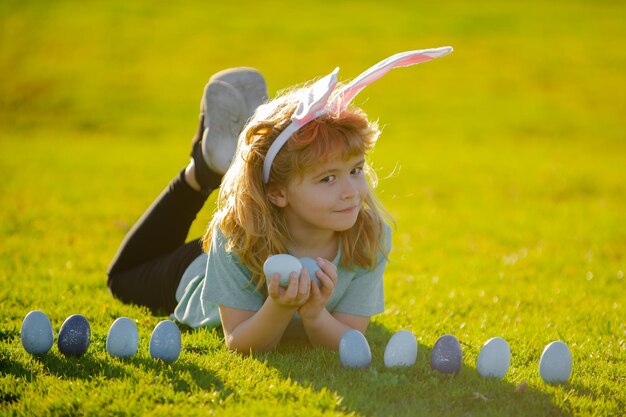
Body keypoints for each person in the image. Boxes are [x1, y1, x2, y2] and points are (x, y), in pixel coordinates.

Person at [107, 48, 452, 354]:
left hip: (267, 219)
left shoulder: (368, 235)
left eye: (356, 170)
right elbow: (239, 342)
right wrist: (279, 307)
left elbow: (350, 341)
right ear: (277, 192)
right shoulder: (237, 238)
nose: (350, 191)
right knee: (121, 278)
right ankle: (202, 173)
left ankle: (240, 152)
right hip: (197, 273)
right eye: (328, 178)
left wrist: (315, 316)